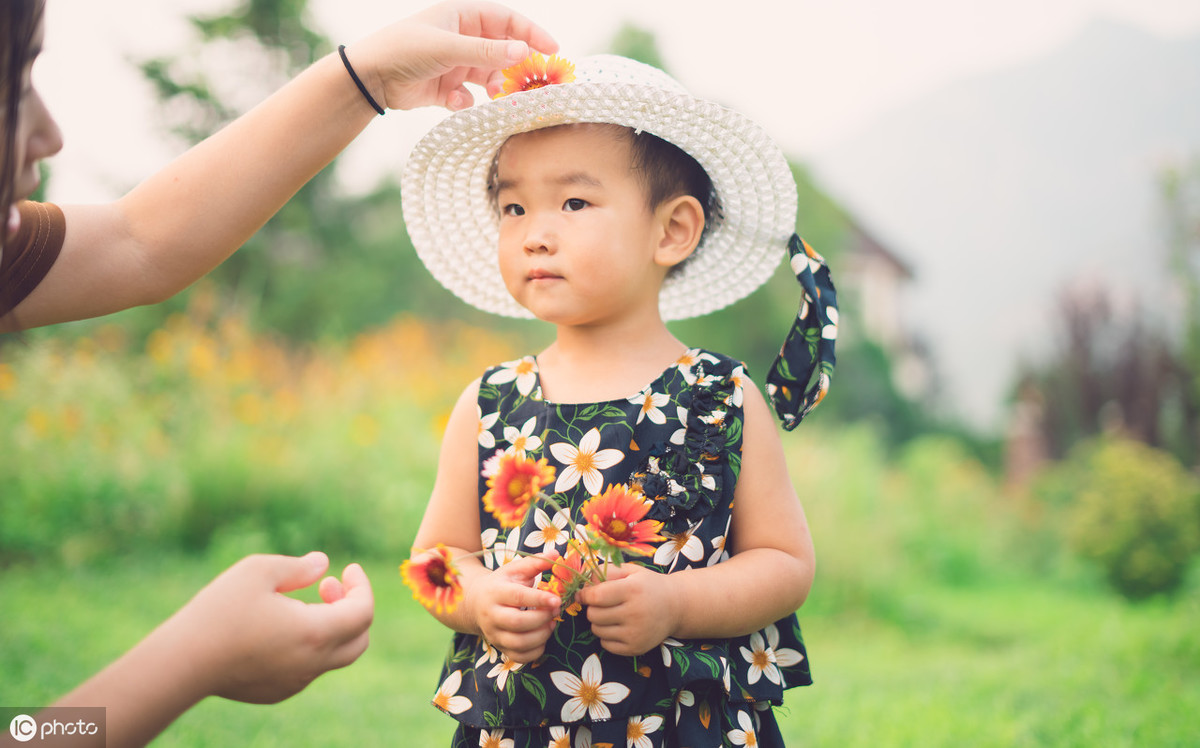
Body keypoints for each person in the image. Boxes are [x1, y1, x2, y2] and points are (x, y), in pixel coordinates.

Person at [0, 1, 557, 746]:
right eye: (14, 82)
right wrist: (190, 658)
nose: (49, 132)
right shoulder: (493, 402)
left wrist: (368, 77)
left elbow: (141, 242)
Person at [403, 53, 838, 747]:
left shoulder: (721, 399)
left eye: (574, 202)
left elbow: (785, 564)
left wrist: (675, 602)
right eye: (514, 206)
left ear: (671, 230)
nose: (535, 232)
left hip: (684, 721)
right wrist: (480, 598)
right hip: (527, 723)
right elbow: (433, 561)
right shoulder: (489, 403)